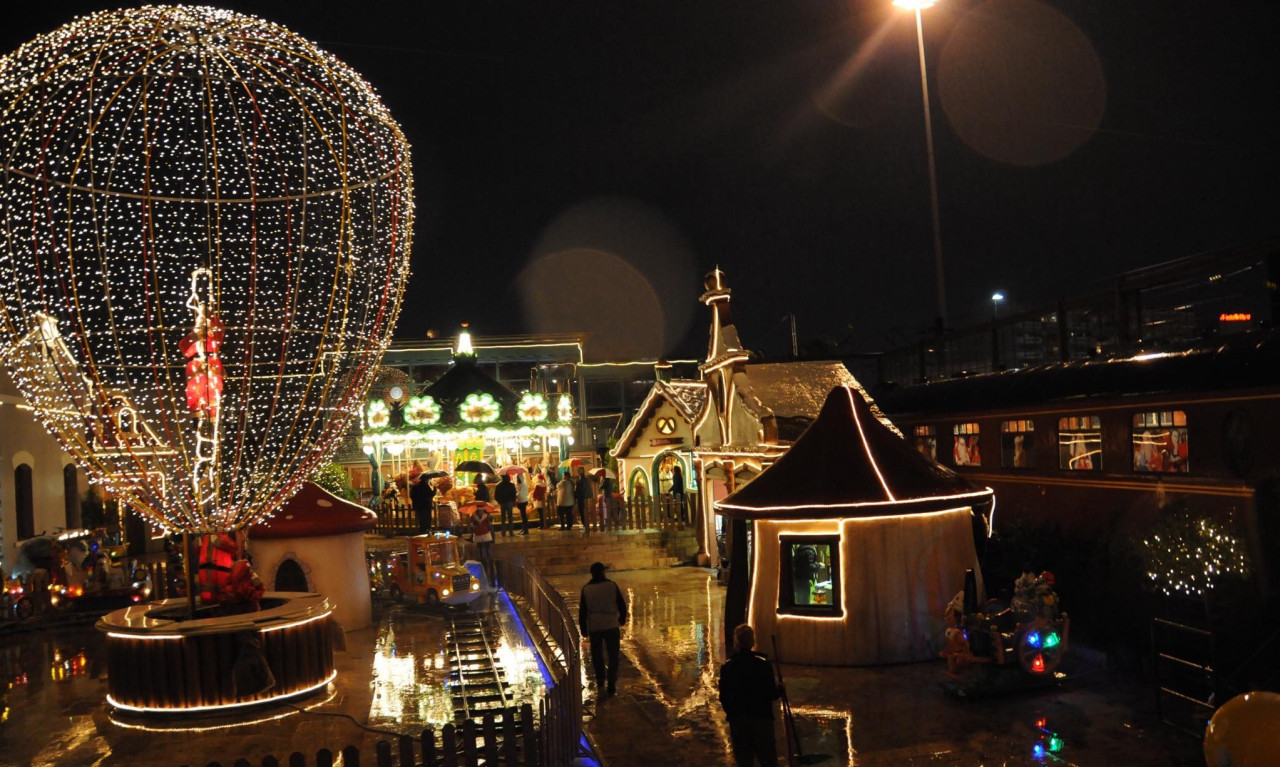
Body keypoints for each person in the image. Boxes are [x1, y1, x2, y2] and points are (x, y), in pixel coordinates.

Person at [718, 623, 784, 767]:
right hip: (761, 719)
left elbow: (723, 696)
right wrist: (780, 690)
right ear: (753, 642)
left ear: (736, 642)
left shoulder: (728, 667)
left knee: (743, 761)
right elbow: (771, 693)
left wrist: (733, 713)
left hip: (739, 721)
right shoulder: (763, 665)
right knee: (768, 760)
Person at [579, 561, 628, 696]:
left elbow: (582, 611)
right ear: (602, 572)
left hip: (595, 626)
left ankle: (601, 679)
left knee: (597, 655)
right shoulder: (611, 586)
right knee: (613, 655)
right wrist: (622, 618)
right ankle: (611, 682)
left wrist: (583, 629)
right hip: (611, 624)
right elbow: (621, 604)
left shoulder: (586, 589)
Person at [471, 503, 494, 584]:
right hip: (478, 534)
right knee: (480, 547)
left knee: (487, 547)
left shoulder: (487, 516)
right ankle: (481, 559)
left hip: (485, 533)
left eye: (482, 510)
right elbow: (472, 524)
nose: (481, 512)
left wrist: (489, 524)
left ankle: (488, 558)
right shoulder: (474, 516)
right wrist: (474, 525)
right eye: (479, 511)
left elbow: (490, 524)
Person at [574, 466, 594, 533]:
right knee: (581, 511)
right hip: (580, 497)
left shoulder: (584, 478)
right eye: (579, 470)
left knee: (583, 510)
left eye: (581, 470)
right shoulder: (579, 478)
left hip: (582, 496)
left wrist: (578, 489)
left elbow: (582, 488)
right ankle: (584, 524)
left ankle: (585, 524)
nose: (580, 472)